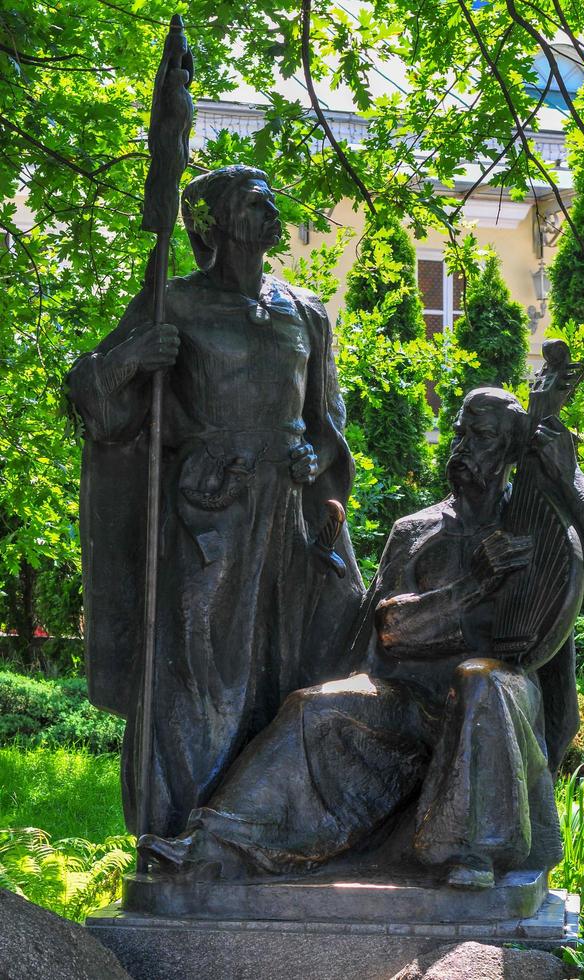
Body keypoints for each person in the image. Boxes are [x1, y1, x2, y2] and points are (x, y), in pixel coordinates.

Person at [139, 387, 584, 887]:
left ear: (514, 451)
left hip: (499, 700)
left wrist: (571, 477)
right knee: (312, 706)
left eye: (483, 437)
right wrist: (472, 587)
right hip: (408, 699)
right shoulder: (416, 530)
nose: (463, 448)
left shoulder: (540, 529)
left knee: (480, 679)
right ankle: (216, 843)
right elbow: (392, 629)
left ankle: (471, 853)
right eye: (460, 434)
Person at [68, 165, 363, 838]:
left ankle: (269, 827)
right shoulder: (172, 302)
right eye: (256, 204)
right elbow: (98, 405)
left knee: (298, 666)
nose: (273, 215)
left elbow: (326, 418)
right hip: (211, 508)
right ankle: (183, 833)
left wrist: (314, 459)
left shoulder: (305, 310)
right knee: (198, 673)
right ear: (213, 222)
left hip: (290, 513)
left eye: (271, 203)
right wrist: (129, 360)